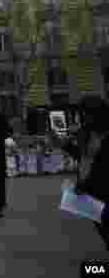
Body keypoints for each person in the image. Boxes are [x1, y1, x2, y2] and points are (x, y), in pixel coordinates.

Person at [51, 96, 109, 247]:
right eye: (82, 114)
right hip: (90, 187)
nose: (83, 117)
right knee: (100, 223)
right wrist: (65, 145)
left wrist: (86, 184)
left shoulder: (105, 133)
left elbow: (103, 164)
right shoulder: (87, 133)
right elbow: (83, 157)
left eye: (86, 114)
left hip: (102, 184)